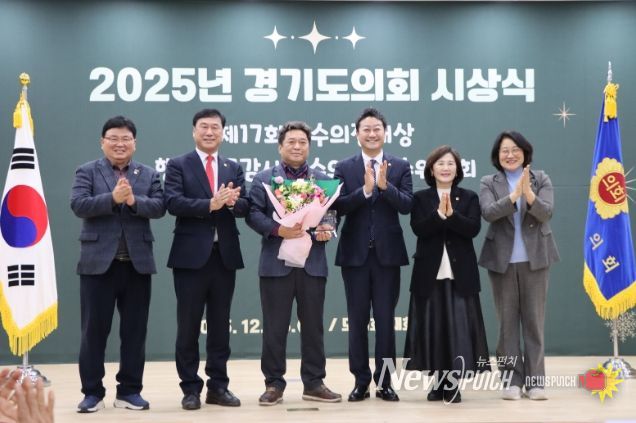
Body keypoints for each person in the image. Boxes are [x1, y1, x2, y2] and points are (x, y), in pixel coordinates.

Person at [70, 116, 165, 413]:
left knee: (135, 333)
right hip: (98, 265)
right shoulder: (87, 171)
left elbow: (159, 207)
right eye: (113, 138)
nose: (119, 144)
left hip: (137, 265)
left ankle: (129, 391)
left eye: (125, 139)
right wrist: (112, 198)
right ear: (103, 142)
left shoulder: (148, 174)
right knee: (93, 332)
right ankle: (92, 393)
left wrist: (134, 201)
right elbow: (78, 205)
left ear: (134, 143)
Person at [246, 121, 342, 406]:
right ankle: (273, 384)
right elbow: (253, 213)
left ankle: (314, 383)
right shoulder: (265, 179)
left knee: (313, 327)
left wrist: (327, 229)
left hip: (312, 263)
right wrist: (279, 229)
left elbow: (331, 213)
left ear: (309, 146)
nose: (297, 146)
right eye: (291, 142)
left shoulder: (322, 179)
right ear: (280, 146)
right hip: (276, 264)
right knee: (274, 327)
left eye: (302, 142)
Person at [164, 108, 248, 410]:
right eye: (204, 127)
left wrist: (235, 203)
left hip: (224, 257)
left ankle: (218, 386)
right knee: (188, 326)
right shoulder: (178, 165)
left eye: (215, 127)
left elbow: (246, 205)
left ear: (223, 132)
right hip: (190, 258)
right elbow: (172, 202)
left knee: (220, 326)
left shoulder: (232, 167)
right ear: (194, 131)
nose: (210, 132)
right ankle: (190, 388)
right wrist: (209, 204)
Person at [333, 108, 413, 402]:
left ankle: (385, 382)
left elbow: (407, 205)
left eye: (376, 128)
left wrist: (384, 187)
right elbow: (337, 206)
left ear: (385, 132)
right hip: (354, 256)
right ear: (357, 134)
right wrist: (365, 191)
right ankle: (361, 381)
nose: (371, 133)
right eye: (366, 129)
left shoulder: (400, 166)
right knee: (357, 322)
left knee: (385, 321)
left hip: (387, 257)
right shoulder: (344, 167)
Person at [403, 145, 490, 404]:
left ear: (458, 169)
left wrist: (452, 216)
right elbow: (419, 228)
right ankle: (438, 381)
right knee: (433, 328)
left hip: (460, 273)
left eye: (450, 163)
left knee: (458, 330)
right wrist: (439, 214)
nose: (445, 168)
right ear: (431, 169)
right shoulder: (421, 198)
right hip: (428, 273)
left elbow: (472, 229)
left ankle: (452, 383)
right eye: (440, 163)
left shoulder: (469, 197)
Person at [479, 131, 559, 401]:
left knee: (534, 323)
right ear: (497, 155)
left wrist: (529, 195)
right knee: (507, 325)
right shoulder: (488, 182)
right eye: (504, 150)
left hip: (536, 260)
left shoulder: (541, 178)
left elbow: (547, 212)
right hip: (501, 261)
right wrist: (515, 195)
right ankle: (511, 380)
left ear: (525, 152)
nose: (510, 155)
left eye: (515, 149)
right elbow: (489, 212)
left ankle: (535, 382)